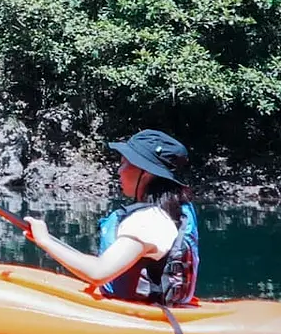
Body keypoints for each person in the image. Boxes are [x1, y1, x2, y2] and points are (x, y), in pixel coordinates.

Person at [24, 129, 199, 306]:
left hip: (141, 317)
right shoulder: (172, 211)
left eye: (125, 163)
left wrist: (45, 241)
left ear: (146, 173)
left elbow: (98, 273)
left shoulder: (149, 221)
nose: (119, 170)